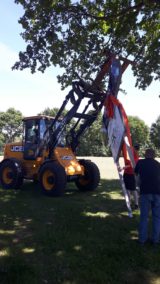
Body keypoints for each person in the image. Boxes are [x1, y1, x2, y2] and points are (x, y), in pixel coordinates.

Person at [135, 148, 160, 244]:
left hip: (145, 192)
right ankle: (155, 239)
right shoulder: (158, 164)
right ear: (154, 155)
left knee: (144, 217)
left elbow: (136, 177)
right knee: (157, 217)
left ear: (145, 155)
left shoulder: (140, 163)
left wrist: (137, 188)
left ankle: (142, 239)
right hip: (157, 193)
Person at [123, 144, 140, 210]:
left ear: (136, 150)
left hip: (132, 175)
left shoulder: (136, 157)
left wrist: (123, 167)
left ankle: (136, 204)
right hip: (126, 174)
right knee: (127, 190)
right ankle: (128, 203)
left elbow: (131, 164)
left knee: (133, 190)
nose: (132, 150)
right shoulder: (130, 155)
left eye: (133, 149)